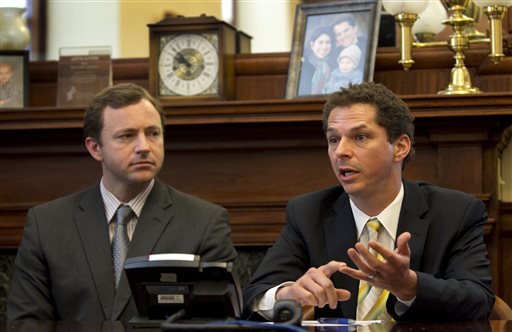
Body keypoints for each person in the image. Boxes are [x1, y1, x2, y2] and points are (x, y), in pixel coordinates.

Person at [243, 82, 494, 322]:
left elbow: (479, 300)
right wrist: (287, 294)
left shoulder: (455, 213)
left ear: (400, 147)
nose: (341, 151)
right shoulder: (308, 212)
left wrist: (409, 285)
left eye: (360, 137)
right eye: (333, 139)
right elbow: (254, 296)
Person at [7, 83, 237, 321]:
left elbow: (217, 323)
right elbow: (27, 322)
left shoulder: (204, 222)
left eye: (153, 133)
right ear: (95, 148)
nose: (144, 147)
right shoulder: (47, 225)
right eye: (127, 136)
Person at [298, 26, 333, 96]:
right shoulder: (303, 63)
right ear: (312, 45)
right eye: (320, 42)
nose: (324, 47)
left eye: (328, 42)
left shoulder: (327, 67)